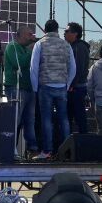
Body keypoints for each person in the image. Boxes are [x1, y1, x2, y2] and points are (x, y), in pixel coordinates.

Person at [29, 19, 76, 160]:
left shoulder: (40, 44)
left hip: (45, 86)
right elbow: (73, 68)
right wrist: (67, 84)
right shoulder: (66, 45)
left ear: (45, 30)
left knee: (46, 120)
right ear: (57, 30)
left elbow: (33, 68)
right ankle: (67, 152)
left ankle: (47, 151)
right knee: (64, 119)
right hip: (61, 86)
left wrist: (35, 88)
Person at [3, 24, 38, 155]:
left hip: (29, 88)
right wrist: (31, 51)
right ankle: (11, 148)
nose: (32, 37)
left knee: (30, 120)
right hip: (16, 88)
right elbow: (20, 63)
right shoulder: (12, 46)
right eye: (29, 34)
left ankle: (32, 149)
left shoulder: (25, 48)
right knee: (16, 120)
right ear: (20, 35)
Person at [65, 22, 90, 135]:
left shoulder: (79, 47)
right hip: (74, 87)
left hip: (76, 88)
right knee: (70, 116)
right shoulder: (73, 47)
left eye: (67, 31)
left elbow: (78, 69)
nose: (64, 33)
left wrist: (71, 85)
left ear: (75, 34)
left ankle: (83, 141)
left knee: (79, 116)